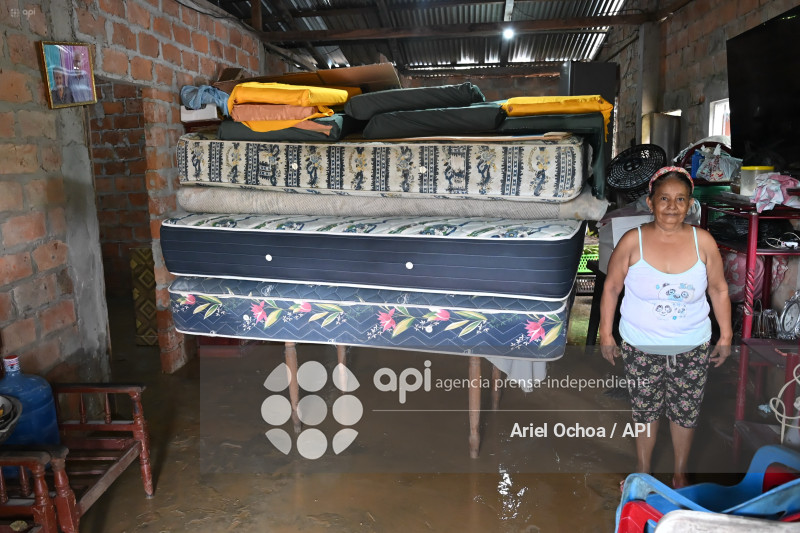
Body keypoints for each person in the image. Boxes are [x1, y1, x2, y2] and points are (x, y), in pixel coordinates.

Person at [599, 166, 732, 489]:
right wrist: (606, 332)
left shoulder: (704, 242)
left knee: (685, 410)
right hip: (640, 344)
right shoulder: (634, 241)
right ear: (650, 202)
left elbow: (718, 289)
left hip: (692, 343)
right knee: (645, 409)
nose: (672, 206)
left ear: (690, 205)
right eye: (664, 199)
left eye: (680, 199)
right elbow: (612, 288)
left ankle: (680, 473)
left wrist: (726, 335)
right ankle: (643, 470)